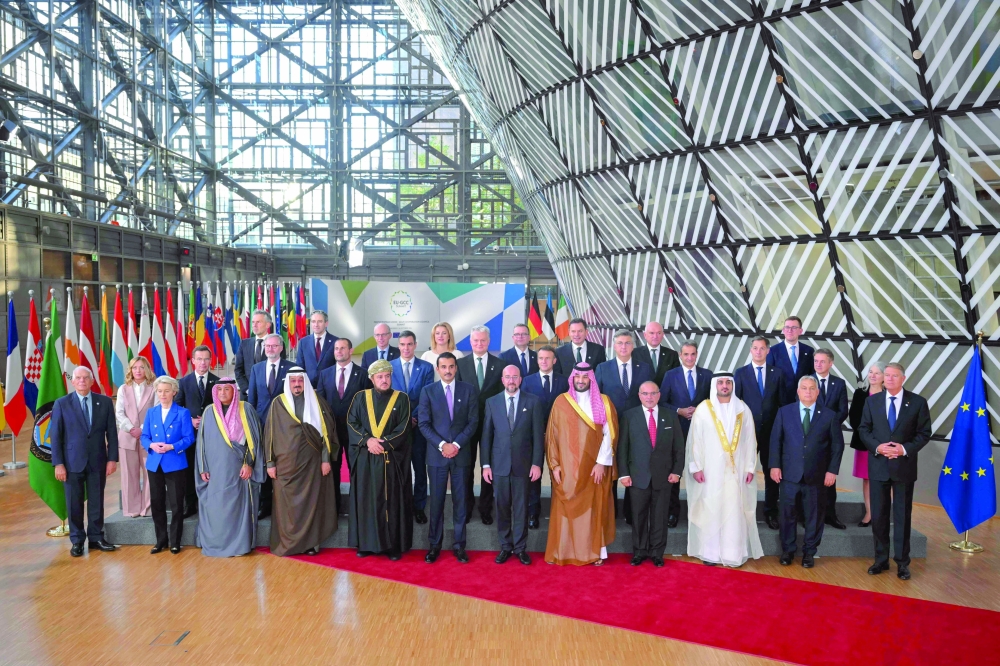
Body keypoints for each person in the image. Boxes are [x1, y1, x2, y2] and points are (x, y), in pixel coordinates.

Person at [857, 362, 931, 581]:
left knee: (902, 517)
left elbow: (924, 433)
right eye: (887, 375)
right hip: (879, 466)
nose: (889, 379)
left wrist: (903, 449)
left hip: (903, 468)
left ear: (903, 378)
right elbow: (863, 429)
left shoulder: (917, 402)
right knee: (879, 516)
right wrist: (878, 447)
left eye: (894, 376)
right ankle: (880, 560)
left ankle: (902, 563)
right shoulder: (872, 401)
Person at [685, 373, 763, 567]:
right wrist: (696, 467)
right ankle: (709, 553)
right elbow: (695, 441)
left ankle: (732, 553)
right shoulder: (703, 409)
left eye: (728, 382)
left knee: (734, 510)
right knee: (711, 508)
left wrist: (750, 467)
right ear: (715, 385)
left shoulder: (743, 409)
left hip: (737, 470)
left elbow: (750, 441)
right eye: (720, 382)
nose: (724, 385)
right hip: (710, 471)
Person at [544, 363, 618, 566]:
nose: (581, 380)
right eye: (578, 376)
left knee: (594, 508)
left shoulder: (604, 402)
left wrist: (601, 463)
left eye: (585, 377)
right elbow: (552, 436)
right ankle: (563, 552)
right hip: (567, 468)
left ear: (591, 379)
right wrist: (555, 465)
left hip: (594, 467)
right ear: (572, 378)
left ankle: (594, 552)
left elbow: (610, 434)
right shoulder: (561, 401)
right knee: (565, 507)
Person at [264, 367, 340, 557]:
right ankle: (288, 543)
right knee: (287, 506)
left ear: (305, 382)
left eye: (300, 380)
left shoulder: (317, 402)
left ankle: (311, 543)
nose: (297, 384)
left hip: (312, 464)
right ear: (288, 382)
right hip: (285, 466)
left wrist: (325, 460)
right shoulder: (278, 403)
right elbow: (270, 435)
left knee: (311, 504)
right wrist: (270, 463)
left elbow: (326, 433)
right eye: (293, 381)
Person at [770, 377, 845, 568]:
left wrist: (832, 471)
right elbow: (775, 441)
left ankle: (809, 552)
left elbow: (837, 446)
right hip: (789, 474)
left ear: (818, 392)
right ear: (798, 391)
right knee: (787, 514)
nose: (808, 392)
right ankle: (788, 551)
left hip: (817, 476)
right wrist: (775, 465)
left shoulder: (829, 415)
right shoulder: (784, 412)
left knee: (814, 515)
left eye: (812, 388)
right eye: (804, 388)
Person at [346, 359, 413, 559]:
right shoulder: (360, 397)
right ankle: (366, 544)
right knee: (366, 500)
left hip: (390, 459)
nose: (384, 380)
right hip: (366, 458)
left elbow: (404, 428)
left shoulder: (401, 399)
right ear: (372, 378)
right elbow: (351, 422)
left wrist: (383, 444)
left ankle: (392, 546)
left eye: (387, 376)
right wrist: (367, 440)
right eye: (380, 377)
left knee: (391, 502)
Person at [50, 367, 119, 557]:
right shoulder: (62, 404)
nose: (82, 381)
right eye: (78, 378)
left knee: (97, 501)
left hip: (98, 461)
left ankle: (96, 538)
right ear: (73, 382)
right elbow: (55, 436)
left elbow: (112, 433)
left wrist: (112, 459)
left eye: (86, 378)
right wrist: (58, 463)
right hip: (71, 463)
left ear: (92, 381)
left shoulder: (104, 402)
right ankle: (77, 540)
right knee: (74, 503)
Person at [418, 352, 479, 564]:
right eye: (443, 367)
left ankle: (460, 546)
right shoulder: (428, 391)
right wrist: (443, 445)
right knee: (436, 502)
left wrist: (457, 445)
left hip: (461, 455)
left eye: (451, 366)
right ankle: (434, 545)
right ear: (437, 369)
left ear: (456, 368)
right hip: (437, 456)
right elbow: (424, 423)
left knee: (460, 502)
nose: (448, 370)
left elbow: (473, 422)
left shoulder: (468, 390)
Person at [481, 365, 544, 565]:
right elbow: (486, 436)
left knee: (521, 508)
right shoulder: (492, 402)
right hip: (498, 466)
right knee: (501, 507)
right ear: (502, 380)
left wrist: (537, 464)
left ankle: (520, 548)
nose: (511, 380)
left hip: (523, 465)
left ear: (520, 379)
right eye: (507, 377)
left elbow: (538, 437)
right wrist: (485, 465)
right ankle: (505, 546)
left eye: (515, 377)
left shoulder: (533, 402)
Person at [195, 378, 265, 558]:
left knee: (237, 509)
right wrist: (203, 467)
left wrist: (249, 463)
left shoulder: (246, 409)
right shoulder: (209, 411)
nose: (223, 393)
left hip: (238, 470)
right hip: (215, 471)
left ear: (234, 391)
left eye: (227, 389)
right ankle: (216, 543)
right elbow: (201, 442)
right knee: (216, 507)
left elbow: (255, 441)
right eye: (219, 389)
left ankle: (239, 545)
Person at [618, 381, 684, 567]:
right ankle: (639, 552)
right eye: (645, 393)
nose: (649, 397)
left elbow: (679, 448)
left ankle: (657, 553)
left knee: (660, 517)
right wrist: (624, 474)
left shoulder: (670, 416)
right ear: (639, 396)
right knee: (638, 517)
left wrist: (677, 471)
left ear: (659, 395)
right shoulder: (629, 416)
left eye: (653, 393)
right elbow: (623, 448)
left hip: (664, 477)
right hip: (637, 477)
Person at [733, 336, 791, 530]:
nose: (758, 351)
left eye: (762, 348)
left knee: (771, 473)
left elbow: (783, 404)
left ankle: (770, 512)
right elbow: (735, 405)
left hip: (772, 433)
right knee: (742, 471)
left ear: (768, 351)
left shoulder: (778, 373)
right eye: (755, 348)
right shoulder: (741, 373)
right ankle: (739, 511)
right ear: (751, 350)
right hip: (746, 433)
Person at [595, 330, 653, 523]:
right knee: (609, 467)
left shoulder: (645, 368)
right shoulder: (603, 368)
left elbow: (650, 396)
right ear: (614, 346)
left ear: (633, 346)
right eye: (620, 343)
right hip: (609, 428)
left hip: (637, 427)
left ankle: (631, 512)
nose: (624, 346)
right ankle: (610, 512)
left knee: (633, 468)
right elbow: (596, 399)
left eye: (628, 343)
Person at [659, 339, 712, 527]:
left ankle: (699, 513)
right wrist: (678, 410)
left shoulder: (707, 375)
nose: (689, 358)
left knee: (701, 473)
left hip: (701, 433)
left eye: (693, 354)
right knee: (675, 472)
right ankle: (672, 513)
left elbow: (712, 402)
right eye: (686, 354)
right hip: (676, 430)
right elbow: (662, 402)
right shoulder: (670, 375)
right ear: (680, 355)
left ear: (697, 355)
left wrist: (700, 410)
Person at [316, 337, 371, 515]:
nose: (338, 351)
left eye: (342, 348)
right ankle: (334, 509)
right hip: (332, 433)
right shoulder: (325, 374)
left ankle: (357, 509)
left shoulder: (363, 374)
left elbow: (367, 406)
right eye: (336, 349)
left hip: (356, 433)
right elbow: (320, 404)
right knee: (333, 470)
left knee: (357, 470)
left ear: (350, 350)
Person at [143, 376, 196, 554]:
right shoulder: (151, 412)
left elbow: (189, 438)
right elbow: (144, 436)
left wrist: (172, 446)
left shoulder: (182, 413)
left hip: (175, 462)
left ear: (174, 392)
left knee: (176, 505)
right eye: (159, 391)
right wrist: (151, 445)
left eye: (166, 391)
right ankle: (161, 541)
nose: (163, 394)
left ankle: (175, 541)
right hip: (155, 463)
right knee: (157, 503)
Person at [456, 326, 504, 525]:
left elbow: (501, 397)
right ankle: (466, 508)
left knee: (488, 467)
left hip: (491, 425)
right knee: (466, 468)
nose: (479, 344)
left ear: (489, 341)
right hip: (467, 425)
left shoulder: (500, 365)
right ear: (470, 342)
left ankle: (485, 508)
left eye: (483, 340)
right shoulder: (460, 364)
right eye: (475, 340)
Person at [247, 334, 296, 519]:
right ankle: (265, 504)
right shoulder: (256, 368)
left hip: (285, 426)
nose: (270, 349)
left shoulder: (291, 368)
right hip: (262, 424)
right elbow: (252, 399)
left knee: (284, 462)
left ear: (281, 348)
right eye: (267, 346)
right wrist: (252, 423)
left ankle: (284, 504)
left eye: (274, 346)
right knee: (266, 462)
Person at [521, 345, 569, 527]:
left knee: (560, 474)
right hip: (534, 437)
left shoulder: (564, 381)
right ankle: (533, 513)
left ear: (554, 361)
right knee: (534, 475)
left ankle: (561, 512)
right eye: (541, 358)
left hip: (558, 437)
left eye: (548, 358)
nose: (544, 361)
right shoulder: (527, 381)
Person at [390, 330, 435, 524]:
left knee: (419, 468)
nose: (406, 348)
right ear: (398, 346)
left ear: (415, 345)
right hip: (396, 428)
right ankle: (400, 505)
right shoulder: (389, 367)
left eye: (409, 344)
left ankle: (419, 507)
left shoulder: (426, 367)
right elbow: (387, 396)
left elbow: (426, 396)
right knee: (398, 468)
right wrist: (402, 420)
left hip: (418, 427)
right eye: (402, 344)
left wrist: (413, 418)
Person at [175, 345, 217, 517]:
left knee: (211, 468)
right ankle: (190, 504)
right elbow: (177, 408)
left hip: (211, 435)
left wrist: (207, 421)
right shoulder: (184, 382)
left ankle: (210, 503)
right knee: (190, 469)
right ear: (193, 361)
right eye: (199, 359)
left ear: (210, 361)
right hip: (189, 435)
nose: (202, 363)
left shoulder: (217, 382)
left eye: (206, 359)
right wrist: (190, 421)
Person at [812, 348, 849, 530]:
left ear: (831, 363)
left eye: (822, 361)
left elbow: (843, 410)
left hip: (832, 437)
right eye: (816, 361)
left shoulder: (839, 383)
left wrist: (829, 426)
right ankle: (809, 516)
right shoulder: (806, 382)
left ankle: (830, 515)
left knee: (829, 478)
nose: (818, 364)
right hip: (811, 437)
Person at [115, 356, 155, 517]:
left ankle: (147, 508)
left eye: (142, 367)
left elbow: (156, 412)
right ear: (130, 370)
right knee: (129, 475)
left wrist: (142, 429)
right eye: (134, 367)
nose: (138, 371)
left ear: (147, 369)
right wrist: (131, 428)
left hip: (149, 437)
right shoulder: (123, 389)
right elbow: (119, 413)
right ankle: (132, 509)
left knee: (150, 474)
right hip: (127, 437)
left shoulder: (154, 388)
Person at [848, 363, 885, 527]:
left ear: (884, 376)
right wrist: (869, 438)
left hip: (885, 445)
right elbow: (854, 419)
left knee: (884, 479)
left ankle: (881, 514)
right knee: (868, 479)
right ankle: (869, 513)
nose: (873, 375)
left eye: (877, 373)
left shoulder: (889, 395)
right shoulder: (860, 394)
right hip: (864, 443)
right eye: (871, 372)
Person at [235, 310, 282, 400]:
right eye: (253, 322)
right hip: (248, 396)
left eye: (258, 322)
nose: (254, 325)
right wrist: (247, 389)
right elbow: (238, 370)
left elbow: (279, 369)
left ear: (268, 325)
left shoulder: (277, 343)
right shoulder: (244, 344)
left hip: (270, 396)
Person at [767, 316, 814, 399]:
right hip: (781, 400)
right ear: (783, 330)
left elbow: (812, 375)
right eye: (787, 327)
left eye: (794, 327)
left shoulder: (808, 350)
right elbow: (769, 377)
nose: (790, 330)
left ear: (800, 331)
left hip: (803, 398)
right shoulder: (773, 351)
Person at [295, 310, 339, 385]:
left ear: (326, 323)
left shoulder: (336, 341)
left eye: (320, 321)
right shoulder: (303, 342)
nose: (316, 325)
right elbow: (300, 365)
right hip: (308, 385)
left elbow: (338, 365)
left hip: (329, 384)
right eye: (313, 321)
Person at [632, 320, 680, 386]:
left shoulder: (672, 355)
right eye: (652, 333)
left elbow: (676, 380)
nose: (655, 336)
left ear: (663, 335)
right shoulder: (634, 353)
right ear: (645, 335)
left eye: (659, 333)